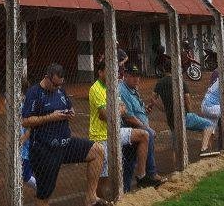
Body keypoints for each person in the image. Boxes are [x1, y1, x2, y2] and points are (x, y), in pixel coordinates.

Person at [21, 62, 106, 206]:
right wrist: (50, 117)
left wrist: (70, 112)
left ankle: (91, 198)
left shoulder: (60, 90)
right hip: (45, 149)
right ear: (47, 78)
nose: (58, 88)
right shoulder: (34, 93)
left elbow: (68, 106)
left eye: (60, 84)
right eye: (55, 85)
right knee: (44, 194)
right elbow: (26, 121)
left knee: (97, 151)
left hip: (65, 144)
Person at [88, 62, 153, 195]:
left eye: (114, 71)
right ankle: (99, 200)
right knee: (104, 178)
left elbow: (122, 108)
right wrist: (118, 110)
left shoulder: (112, 87)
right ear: (100, 72)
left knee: (144, 135)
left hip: (116, 131)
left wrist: (116, 110)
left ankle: (141, 177)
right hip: (101, 136)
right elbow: (105, 115)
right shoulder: (96, 89)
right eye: (108, 71)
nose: (113, 74)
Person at [151, 68, 216, 156]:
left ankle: (177, 167)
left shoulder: (160, 83)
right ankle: (204, 150)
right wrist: (189, 112)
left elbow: (153, 99)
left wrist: (163, 109)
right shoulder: (180, 81)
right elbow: (187, 100)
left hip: (171, 119)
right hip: (184, 116)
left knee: (177, 147)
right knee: (209, 125)